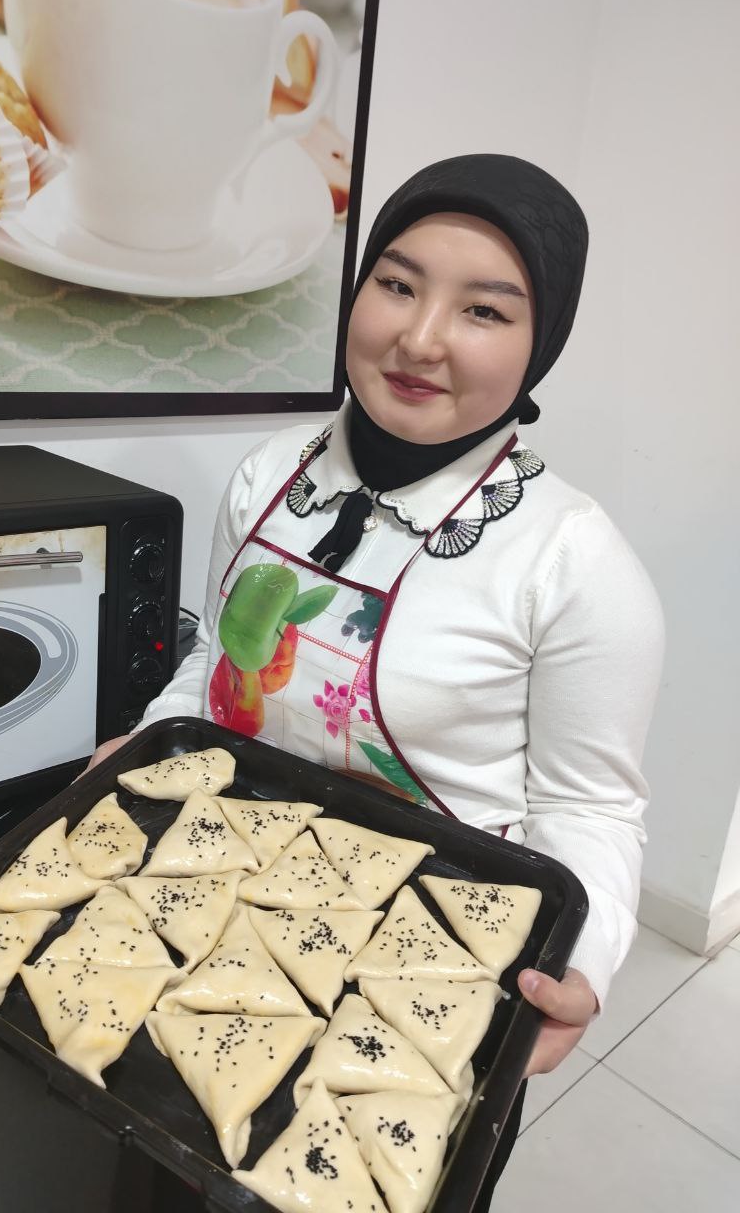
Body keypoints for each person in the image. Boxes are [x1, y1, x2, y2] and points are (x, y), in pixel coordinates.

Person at [88, 154, 664, 1207]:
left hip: (430, 965)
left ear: (542, 344)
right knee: (168, 1175)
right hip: (220, 913)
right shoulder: (271, 475)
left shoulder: (574, 561)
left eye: (484, 309)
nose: (420, 338)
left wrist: (582, 963)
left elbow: (592, 805)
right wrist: (149, 740)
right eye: (397, 284)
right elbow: (219, 664)